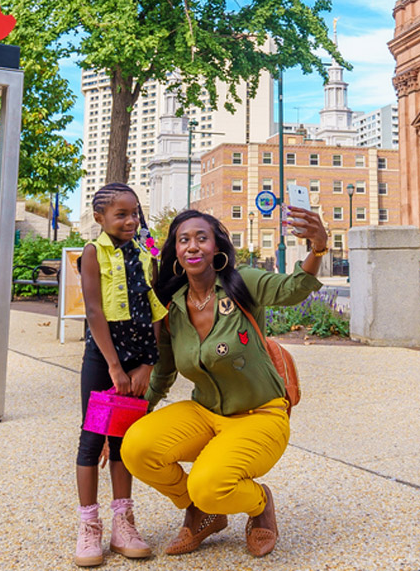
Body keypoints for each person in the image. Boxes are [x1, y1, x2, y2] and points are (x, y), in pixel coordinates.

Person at [120, 205, 328, 558]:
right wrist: (131, 417)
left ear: (216, 247)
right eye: (184, 240)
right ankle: (204, 511)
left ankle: (259, 503)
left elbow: (294, 289)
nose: (192, 246)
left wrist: (318, 247)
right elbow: (163, 373)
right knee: (136, 447)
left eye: (202, 238)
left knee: (208, 482)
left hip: (260, 415)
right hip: (206, 413)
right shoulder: (172, 308)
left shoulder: (241, 282)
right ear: (175, 251)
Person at [72, 182, 166, 567]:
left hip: (138, 359)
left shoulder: (148, 250)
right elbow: (95, 311)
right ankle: (89, 525)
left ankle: (123, 522)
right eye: (121, 214)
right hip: (104, 359)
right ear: (100, 218)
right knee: (93, 439)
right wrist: (113, 365)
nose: (131, 221)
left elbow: (155, 305)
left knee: (124, 439)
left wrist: (148, 362)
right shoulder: (93, 253)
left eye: (135, 213)